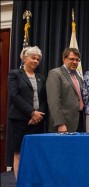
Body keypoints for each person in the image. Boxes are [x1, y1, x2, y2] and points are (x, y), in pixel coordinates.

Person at [7, 46, 47, 179]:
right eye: (33, 58)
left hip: (37, 121)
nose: (36, 61)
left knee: (34, 151)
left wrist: (37, 115)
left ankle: (32, 180)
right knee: (19, 151)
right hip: (20, 119)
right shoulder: (14, 74)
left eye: (38, 59)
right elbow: (14, 96)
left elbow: (44, 98)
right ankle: (19, 182)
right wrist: (31, 113)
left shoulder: (41, 77)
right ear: (25, 58)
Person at [46, 48, 84, 132]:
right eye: (72, 59)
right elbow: (54, 102)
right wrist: (60, 123)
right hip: (64, 123)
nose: (75, 62)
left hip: (79, 121)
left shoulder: (79, 77)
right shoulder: (55, 74)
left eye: (77, 60)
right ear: (64, 59)